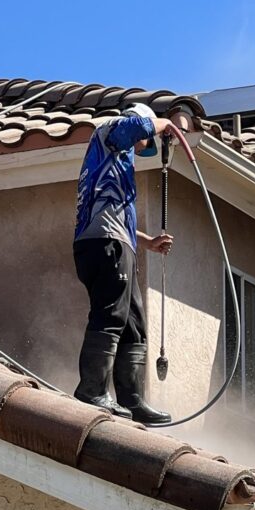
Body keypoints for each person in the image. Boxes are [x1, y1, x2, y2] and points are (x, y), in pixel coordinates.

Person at [72, 103, 181, 425]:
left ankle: (131, 400)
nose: (141, 148)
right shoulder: (108, 132)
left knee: (133, 323)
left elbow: (114, 214)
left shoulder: (115, 164)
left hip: (114, 242)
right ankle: (92, 390)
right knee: (112, 314)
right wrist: (165, 124)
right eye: (143, 142)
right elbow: (136, 129)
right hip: (104, 244)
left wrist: (146, 242)